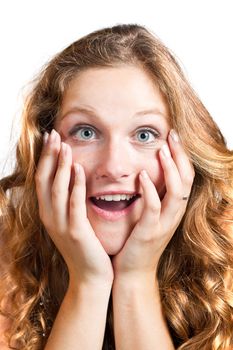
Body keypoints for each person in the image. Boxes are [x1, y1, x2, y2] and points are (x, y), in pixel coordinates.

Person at [0, 23, 232, 350]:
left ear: (186, 154)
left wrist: (136, 280)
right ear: (44, 150)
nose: (113, 167)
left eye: (144, 135)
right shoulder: (7, 258)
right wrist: (89, 283)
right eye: (85, 132)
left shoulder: (228, 251)